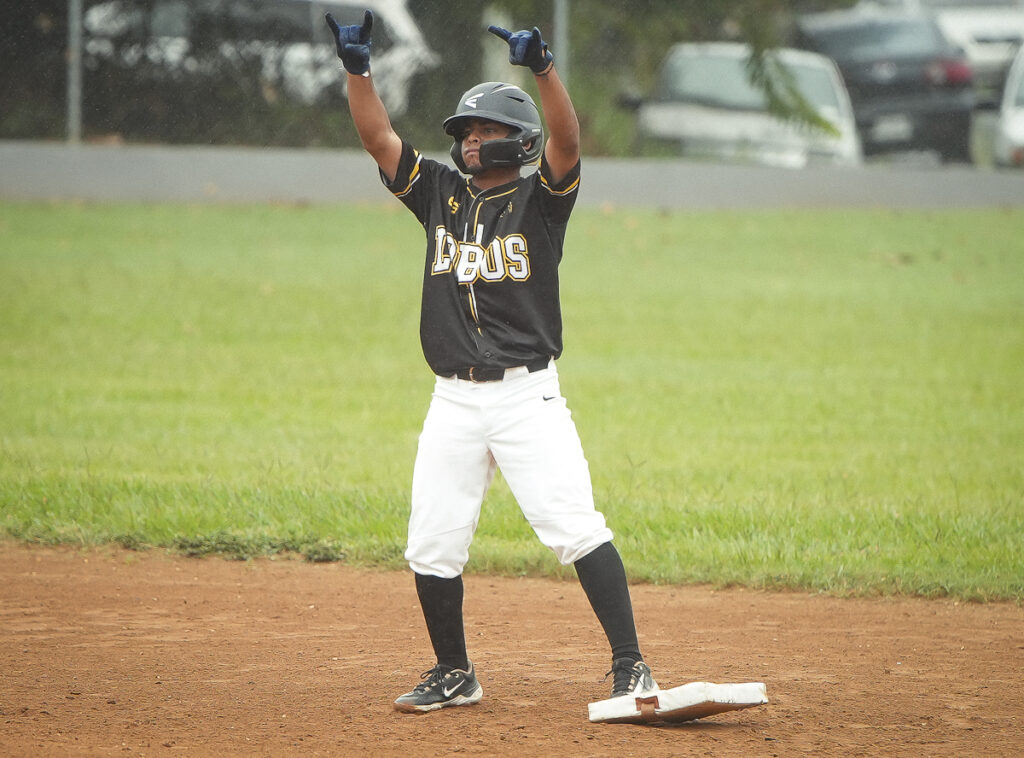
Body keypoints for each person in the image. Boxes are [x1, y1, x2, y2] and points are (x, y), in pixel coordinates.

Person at [325, 10, 657, 714]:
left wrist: (544, 70)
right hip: (453, 400)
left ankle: (632, 667)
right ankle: (455, 672)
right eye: (464, 134)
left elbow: (569, 141)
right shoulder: (438, 195)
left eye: (483, 131)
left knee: (574, 526)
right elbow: (378, 137)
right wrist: (359, 72)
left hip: (525, 397)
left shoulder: (541, 202)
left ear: (519, 141)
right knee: (431, 541)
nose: (469, 141)